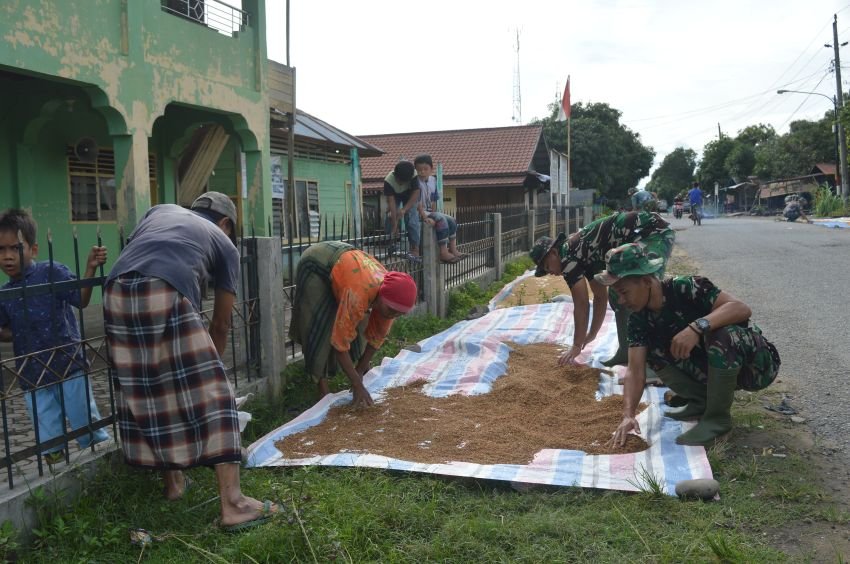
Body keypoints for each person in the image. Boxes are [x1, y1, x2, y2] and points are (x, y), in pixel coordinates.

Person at [103, 192, 278, 531]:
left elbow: (145, 251)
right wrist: (208, 374)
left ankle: (174, 484)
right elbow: (221, 323)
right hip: (164, 288)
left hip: (115, 290)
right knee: (217, 395)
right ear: (226, 224)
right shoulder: (225, 244)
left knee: (149, 387)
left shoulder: (160, 210)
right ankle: (235, 505)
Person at [597, 243, 781, 447]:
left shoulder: (686, 287)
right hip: (715, 365)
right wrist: (628, 415)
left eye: (624, 292)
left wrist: (696, 328)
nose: (621, 301)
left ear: (646, 281)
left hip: (757, 366)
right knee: (651, 351)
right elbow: (635, 370)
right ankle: (701, 402)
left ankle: (717, 420)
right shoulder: (639, 320)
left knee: (722, 335)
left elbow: (741, 308)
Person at [0, 209, 111, 465]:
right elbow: (6, 332)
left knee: (87, 424)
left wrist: (90, 268)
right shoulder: (5, 294)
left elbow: (80, 301)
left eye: (15, 248)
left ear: (33, 249)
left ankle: (104, 467)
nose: (7, 256)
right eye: (1, 249)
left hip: (68, 365)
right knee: (49, 438)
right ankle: (57, 479)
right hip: (32, 375)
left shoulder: (51, 273)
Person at [530, 211, 675, 368]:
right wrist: (591, 335)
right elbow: (600, 297)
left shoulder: (567, 257)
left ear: (553, 252)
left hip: (651, 233)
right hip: (638, 236)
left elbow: (582, 305)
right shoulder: (582, 256)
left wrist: (576, 346)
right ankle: (626, 351)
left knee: (646, 294)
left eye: (546, 266)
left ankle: (658, 363)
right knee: (616, 293)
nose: (550, 272)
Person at [289, 241, 417, 407]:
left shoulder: (390, 299)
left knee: (360, 326)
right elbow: (339, 344)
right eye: (391, 310)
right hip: (316, 262)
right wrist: (357, 384)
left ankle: (356, 369)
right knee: (319, 323)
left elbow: (376, 338)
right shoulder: (359, 294)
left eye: (399, 313)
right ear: (381, 296)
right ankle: (321, 386)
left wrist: (359, 372)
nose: (393, 315)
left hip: (346, 268)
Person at [413, 154, 468, 264]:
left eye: (425, 169)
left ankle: (452, 248)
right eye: (419, 170)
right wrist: (425, 217)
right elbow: (416, 202)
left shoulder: (433, 180)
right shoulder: (415, 182)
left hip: (430, 211)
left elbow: (434, 199)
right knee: (440, 219)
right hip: (419, 212)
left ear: (431, 169)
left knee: (451, 219)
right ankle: (443, 252)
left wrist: (434, 213)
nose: (422, 172)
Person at [384, 161, 421, 261]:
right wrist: (395, 224)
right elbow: (391, 201)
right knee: (390, 216)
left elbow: (416, 193)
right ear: (395, 175)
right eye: (399, 180)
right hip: (395, 196)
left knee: (412, 218)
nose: (400, 183)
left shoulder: (414, 176)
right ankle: (392, 244)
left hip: (410, 195)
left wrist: (404, 209)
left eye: (403, 182)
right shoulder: (388, 181)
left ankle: (415, 248)